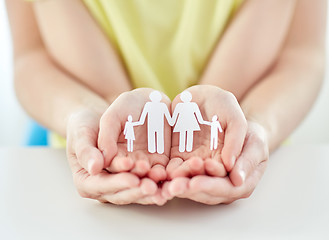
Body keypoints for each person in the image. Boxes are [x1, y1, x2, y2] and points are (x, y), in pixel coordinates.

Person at [6, 0, 326, 205]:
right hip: (73, 151)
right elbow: (31, 55)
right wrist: (89, 115)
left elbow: (301, 54)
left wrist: (254, 125)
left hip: (251, 158)